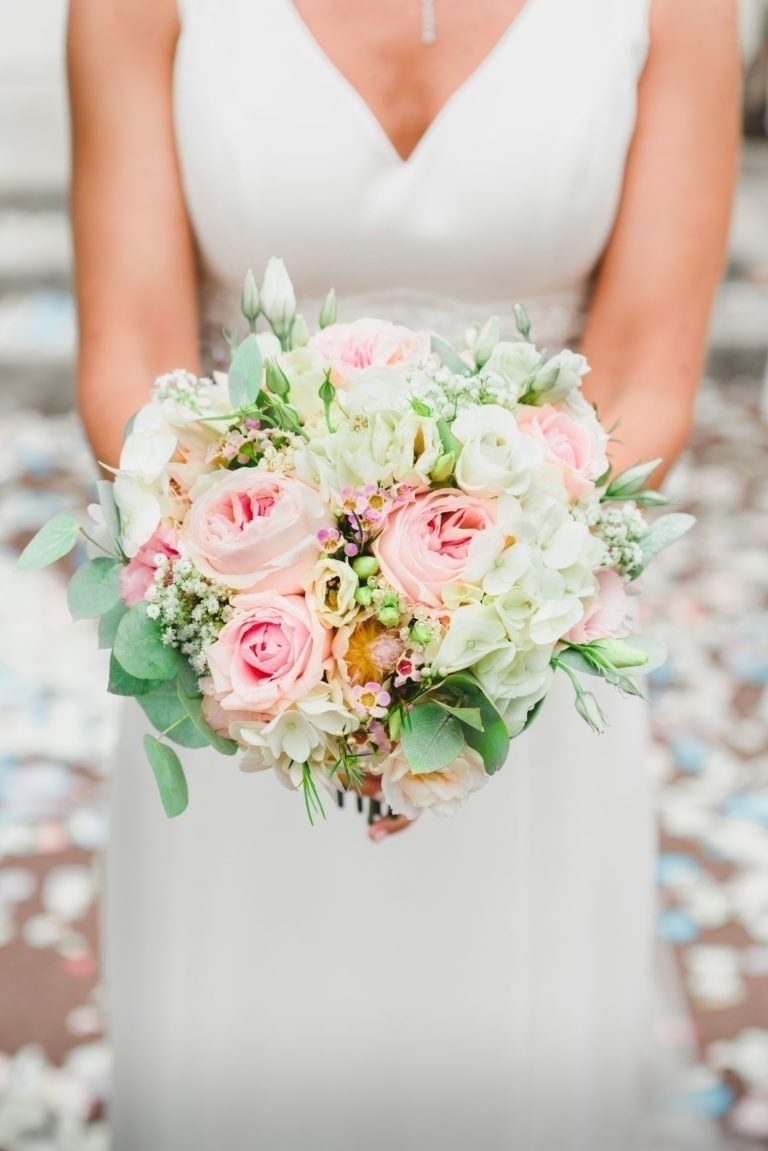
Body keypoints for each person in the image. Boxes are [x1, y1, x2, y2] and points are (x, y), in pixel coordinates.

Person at [67, 0, 740, 1147]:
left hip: (527, 637)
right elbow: (130, 354)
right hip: (241, 645)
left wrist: (468, 615)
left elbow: (644, 376)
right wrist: (285, 606)